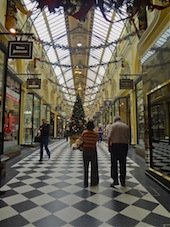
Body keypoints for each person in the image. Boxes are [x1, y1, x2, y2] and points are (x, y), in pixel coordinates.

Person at [108, 116, 130, 187]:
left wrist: (109, 146)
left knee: (114, 164)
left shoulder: (113, 126)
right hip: (124, 146)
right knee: (123, 164)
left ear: (115, 120)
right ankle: (123, 181)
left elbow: (109, 137)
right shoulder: (126, 126)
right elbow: (128, 137)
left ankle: (115, 181)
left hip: (115, 146)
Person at [81, 120, 99, 187]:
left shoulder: (84, 133)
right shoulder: (95, 133)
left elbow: (81, 140)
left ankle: (85, 182)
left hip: (86, 150)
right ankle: (93, 182)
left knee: (86, 166)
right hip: (93, 150)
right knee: (93, 167)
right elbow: (96, 140)